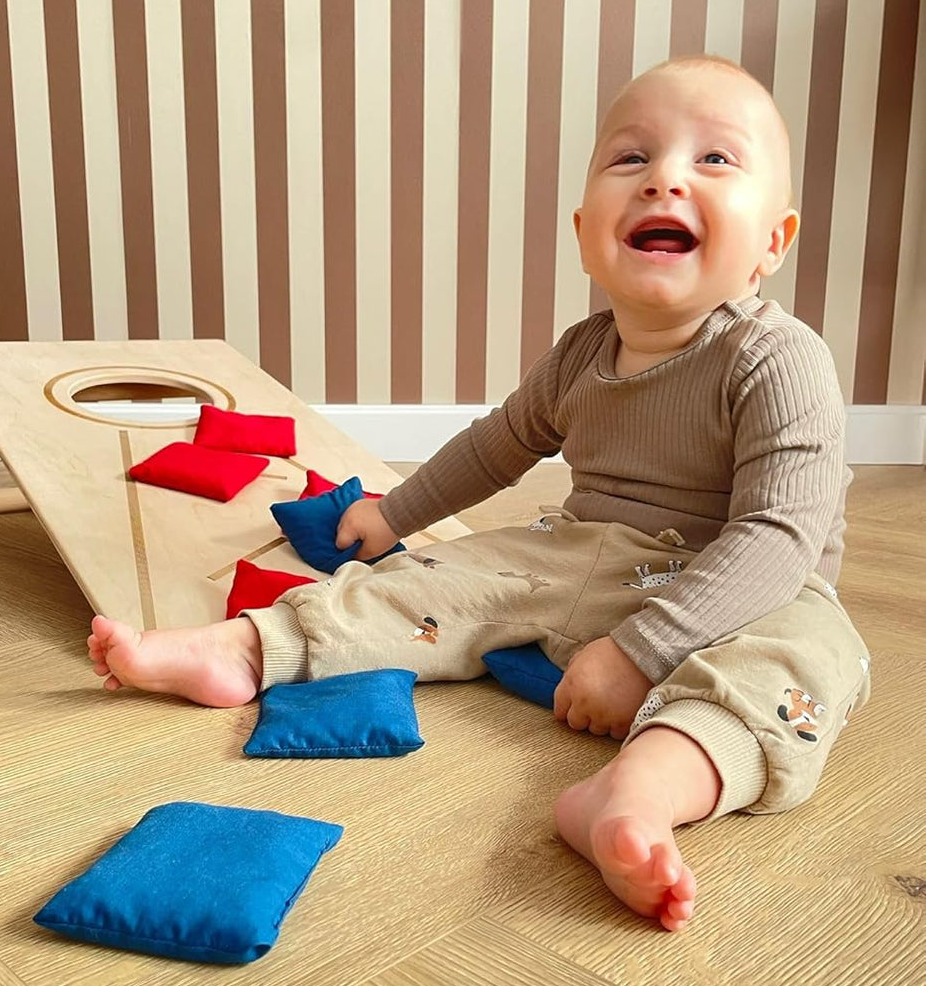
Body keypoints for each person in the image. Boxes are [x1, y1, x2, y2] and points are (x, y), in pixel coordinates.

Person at [87, 55, 870, 931]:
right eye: (631, 159)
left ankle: (638, 797)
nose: (665, 181)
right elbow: (497, 446)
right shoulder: (581, 353)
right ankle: (248, 649)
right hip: (589, 552)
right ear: (585, 231)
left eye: (714, 161)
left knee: (801, 667)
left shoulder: (778, 359)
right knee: (446, 574)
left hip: (753, 588)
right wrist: (393, 515)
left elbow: (778, 535)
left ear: (773, 240)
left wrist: (646, 649)